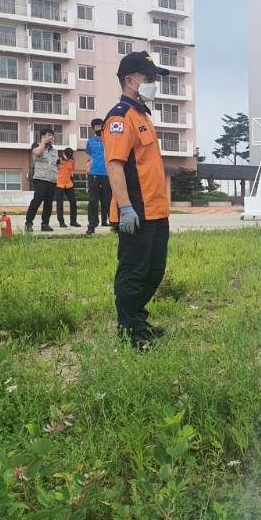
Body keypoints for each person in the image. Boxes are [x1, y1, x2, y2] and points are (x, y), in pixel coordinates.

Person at [102, 51, 171, 350]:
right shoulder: (119, 117)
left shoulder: (143, 116)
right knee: (133, 272)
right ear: (130, 81)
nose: (153, 83)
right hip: (137, 211)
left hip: (156, 210)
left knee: (155, 271)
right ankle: (129, 331)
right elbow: (114, 164)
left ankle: (138, 320)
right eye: (148, 78)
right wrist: (125, 207)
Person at [25, 129, 59, 232]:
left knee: (48, 203)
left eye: (52, 136)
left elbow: (57, 165)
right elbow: (37, 153)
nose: (51, 138)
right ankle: (29, 222)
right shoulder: (36, 146)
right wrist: (43, 143)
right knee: (37, 201)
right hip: (41, 178)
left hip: (52, 180)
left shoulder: (54, 150)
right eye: (48, 135)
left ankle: (45, 224)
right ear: (42, 136)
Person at [84, 117, 111, 234]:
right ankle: (92, 225)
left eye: (101, 126)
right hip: (94, 173)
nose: (99, 129)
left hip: (108, 173)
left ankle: (114, 225)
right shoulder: (90, 142)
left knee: (109, 200)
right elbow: (89, 156)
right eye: (96, 127)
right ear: (93, 129)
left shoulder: (109, 140)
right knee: (93, 201)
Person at [54, 147, 80, 228]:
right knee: (60, 204)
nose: (69, 158)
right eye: (67, 156)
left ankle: (73, 221)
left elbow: (71, 171)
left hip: (68, 183)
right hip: (59, 184)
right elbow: (55, 170)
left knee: (73, 202)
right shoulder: (59, 160)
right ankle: (61, 221)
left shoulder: (72, 160)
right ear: (64, 154)